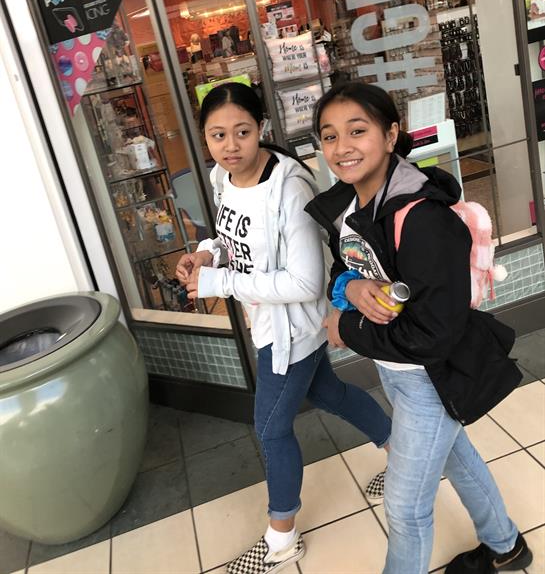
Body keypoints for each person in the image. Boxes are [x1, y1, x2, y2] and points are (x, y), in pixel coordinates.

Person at [305, 80, 532, 574]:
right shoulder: (349, 207)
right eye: (329, 136)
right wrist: (350, 287)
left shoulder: (423, 218)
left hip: (431, 378)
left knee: (405, 509)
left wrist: (347, 328)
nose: (342, 147)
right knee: (458, 459)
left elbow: (433, 336)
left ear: (391, 135)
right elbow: (345, 267)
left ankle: (501, 546)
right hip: (397, 370)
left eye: (357, 131)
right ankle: (507, 547)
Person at [175, 82, 392, 574]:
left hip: (293, 330)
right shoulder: (222, 177)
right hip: (268, 321)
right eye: (218, 136)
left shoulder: (289, 189)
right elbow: (231, 238)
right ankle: (401, 452)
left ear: (261, 129)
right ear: (205, 138)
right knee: (330, 392)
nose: (231, 146)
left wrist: (220, 282)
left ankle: (282, 539)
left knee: (271, 429)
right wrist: (208, 254)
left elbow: (305, 281)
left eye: (242, 132)